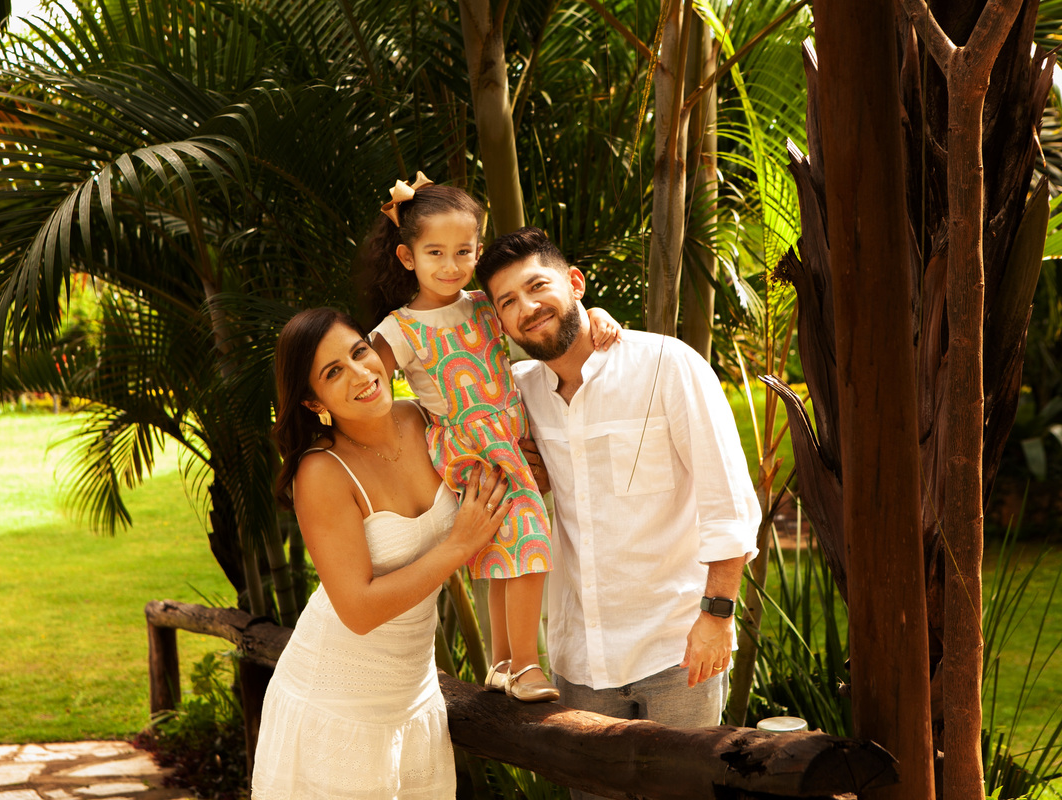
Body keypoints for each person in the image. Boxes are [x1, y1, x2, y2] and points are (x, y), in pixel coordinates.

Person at [476, 227, 761, 800]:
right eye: (507, 302)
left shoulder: (665, 364)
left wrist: (718, 613)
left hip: (677, 646)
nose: (527, 309)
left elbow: (726, 497)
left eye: (537, 287)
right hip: (579, 657)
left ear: (575, 283)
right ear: (499, 322)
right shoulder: (517, 393)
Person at [364, 172, 621, 702]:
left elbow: (547, 322)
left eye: (463, 251)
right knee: (528, 538)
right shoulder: (399, 328)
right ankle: (528, 664)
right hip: (470, 447)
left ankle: (504, 660)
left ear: (478, 250)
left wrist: (595, 312)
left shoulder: (485, 303)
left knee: (503, 547)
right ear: (408, 257)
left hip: (508, 435)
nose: (451, 264)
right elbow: (367, 379)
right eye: (435, 252)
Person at [251, 308, 512, 799]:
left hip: (413, 698)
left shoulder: (425, 419)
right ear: (312, 401)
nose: (361, 374)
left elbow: (500, 418)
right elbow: (358, 608)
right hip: (334, 704)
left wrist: (525, 471)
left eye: (359, 352)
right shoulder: (322, 473)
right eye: (333, 373)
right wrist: (459, 544)